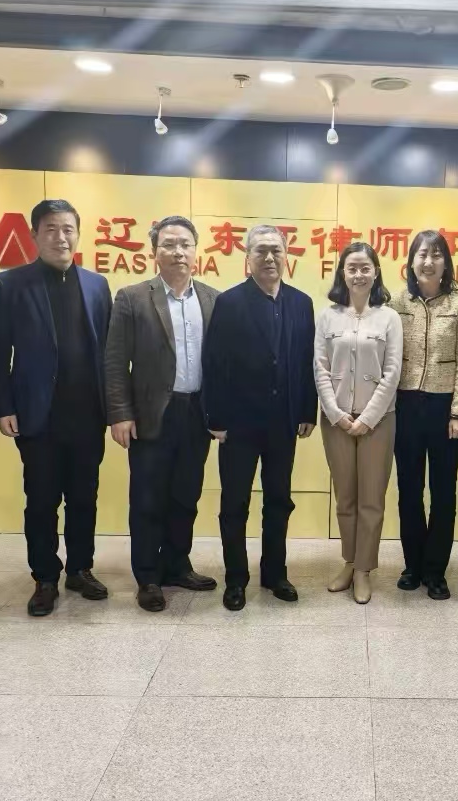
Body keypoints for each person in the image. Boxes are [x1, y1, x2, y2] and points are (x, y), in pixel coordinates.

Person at [0, 199, 113, 617]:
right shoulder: (10, 284)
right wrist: (3, 405)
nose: (61, 237)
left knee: (84, 498)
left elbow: (109, 353)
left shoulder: (97, 285)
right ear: (34, 235)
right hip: (37, 415)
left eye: (67, 229)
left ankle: (80, 569)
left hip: (88, 414)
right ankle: (45, 577)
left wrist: (114, 408)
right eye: (51, 229)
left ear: (78, 234)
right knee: (41, 501)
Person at [104, 215, 219, 613]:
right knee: (148, 498)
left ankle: (177, 565)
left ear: (196, 250)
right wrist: (120, 414)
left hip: (197, 413)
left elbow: (222, 363)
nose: (178, 251)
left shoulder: (213, 299)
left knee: (186, 496)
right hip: (151, 415)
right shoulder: (132, 297)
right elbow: (115, 361)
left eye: (185, 244)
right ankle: (148, 576)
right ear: (154, 252)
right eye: (169, 244)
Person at [203, 225, 317, 612]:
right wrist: (216, 418)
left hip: (284, 422)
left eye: (276, 250)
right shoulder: (230, 302)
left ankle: (274, 574)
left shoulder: (301, 303)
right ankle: (236, 579)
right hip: (238, 424)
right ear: (248, 258)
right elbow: (214, 363)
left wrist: (307, 410)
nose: (269, 258)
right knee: (235, 504)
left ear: (286, 256)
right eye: (261, 251)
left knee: (279, 501)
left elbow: (306, 362)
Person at [388, 230, 458, 600]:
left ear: (446, 262)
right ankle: (413, 565)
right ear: (411, 261)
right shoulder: (396, 302)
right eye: (422, 254)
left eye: (436, 254)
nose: (428, 261)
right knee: (409, 489)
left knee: (443, 492)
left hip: (444, 409)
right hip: (405, 406)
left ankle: (436, 570)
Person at [316, 241, 403, 604]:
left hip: (378, 422)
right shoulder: (327, 316)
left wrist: (367, 418)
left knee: (371, 499)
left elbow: (392, 372)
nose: (358, 274)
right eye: (352, 268)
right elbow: (320, 368)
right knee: (346, 498)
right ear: (343, 273)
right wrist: (336, 414)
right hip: (335, 421)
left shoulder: (389, 318)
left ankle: (364, 569)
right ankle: (350, 562)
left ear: (376, 272)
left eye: (365, 268)